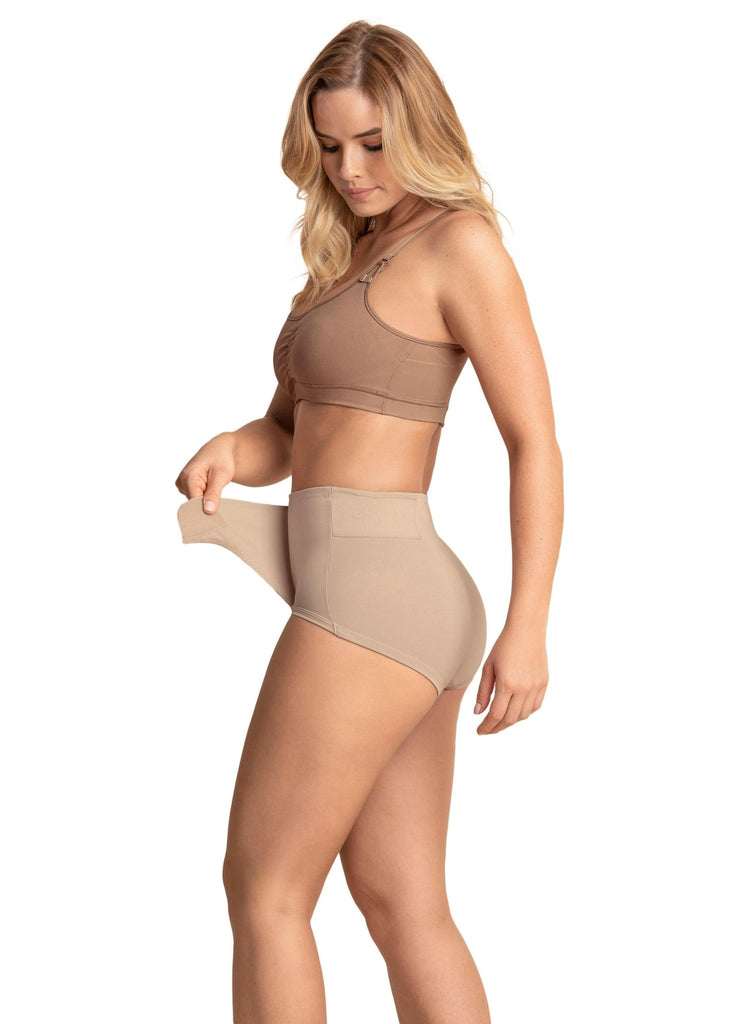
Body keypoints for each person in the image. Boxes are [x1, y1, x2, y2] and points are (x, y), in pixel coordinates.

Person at [174, 20, 563, 1024]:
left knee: (264, 889)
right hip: (379, 598)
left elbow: (533, 442)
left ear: (419, 128)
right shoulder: (345, 257)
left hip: (378, 597)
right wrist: (232, 448)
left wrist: (528, 625)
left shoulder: (458, 245)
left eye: (374, 144)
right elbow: (287, 432)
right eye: (331, 146)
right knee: (401, 902)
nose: (350, 169)